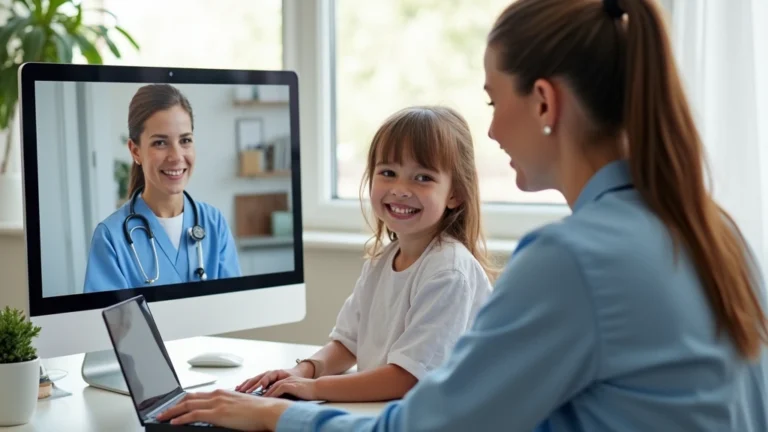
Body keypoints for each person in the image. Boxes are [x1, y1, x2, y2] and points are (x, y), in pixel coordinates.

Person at [157, 0, 768, 430]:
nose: (494, 129)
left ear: (545, 101)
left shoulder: (570, 260)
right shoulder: (714, 229)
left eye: (493, 101)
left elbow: (421, 423)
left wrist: (279, 415)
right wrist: (304, 379)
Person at [235, 105, 495, 403]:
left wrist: (314, 389)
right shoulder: (384, 259)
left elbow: (407, 378)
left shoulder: (449, 272)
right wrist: (303, 371)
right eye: (388, 173)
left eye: (422, 178)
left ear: (455, 194)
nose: (399, 189)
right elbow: (348, 343)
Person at [84, 84, 241, 293]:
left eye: (185, 140)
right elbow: (111, 322)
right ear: (135, 151)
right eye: (160, 143)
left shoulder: (214, 224)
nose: (176, 156)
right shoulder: (111, 237)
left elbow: (233, 309)